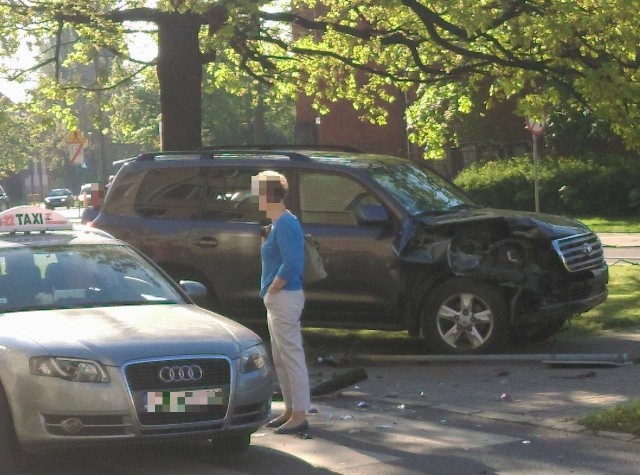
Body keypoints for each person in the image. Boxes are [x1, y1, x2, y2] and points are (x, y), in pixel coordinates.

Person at [253, 170, 310, 435]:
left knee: (291, 355)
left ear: (268, 195)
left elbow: (293, 263)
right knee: (280, 357)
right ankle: (290, 409)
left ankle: (300, 413)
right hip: (276, 299)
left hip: (285, 298)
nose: (256, 199)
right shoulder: (277, 225)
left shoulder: (286, 223)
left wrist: (274, 289)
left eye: (259, 193)